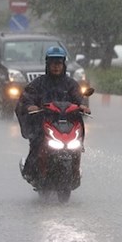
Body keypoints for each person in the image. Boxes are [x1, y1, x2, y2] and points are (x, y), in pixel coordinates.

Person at [16, 46, 90, 183]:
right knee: (37, 142)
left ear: (63, 65)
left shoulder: (71, 84)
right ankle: (31, 171)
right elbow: (27, 96)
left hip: (67, 123)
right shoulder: (39, 83)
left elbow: (79, 97)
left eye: (59, 63)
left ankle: (75, 172)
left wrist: (83, 106)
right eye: (53, 64)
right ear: (47, 65)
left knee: (76, 142)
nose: (56, 67)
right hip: (45, 121)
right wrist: (30, 106)